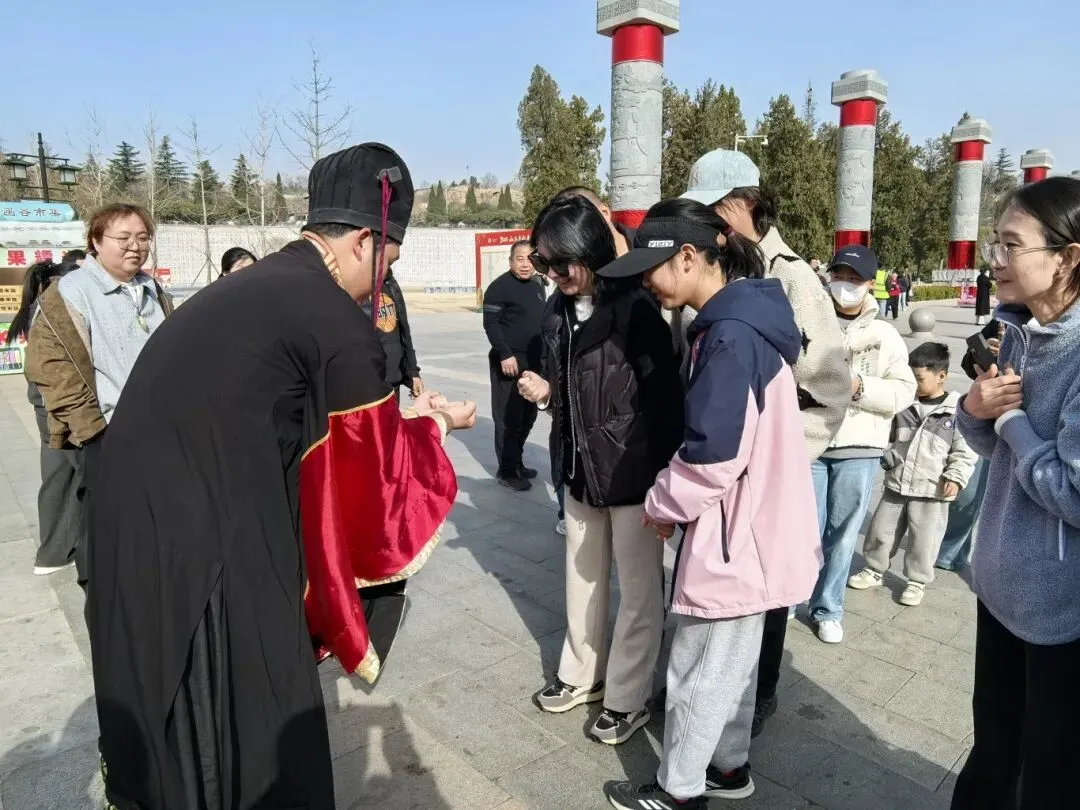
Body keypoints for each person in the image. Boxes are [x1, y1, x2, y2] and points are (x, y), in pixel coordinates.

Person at [85, 143, 477, 809]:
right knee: (244, 721)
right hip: (209, 546)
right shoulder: (334, 320)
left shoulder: (249, 286)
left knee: (159, 716)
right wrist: (438, 424)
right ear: (363, 241)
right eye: (388, 261)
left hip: (129, 527)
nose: (383, 282)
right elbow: (378, 479)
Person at [602, 199, 820, 808]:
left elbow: (713, 457)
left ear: (689, 257)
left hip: (735, 536)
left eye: (651, 269)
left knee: (699, 668)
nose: (647, 283)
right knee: (731, 667)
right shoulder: (744, 323)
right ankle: (726, 768)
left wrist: (661, 504)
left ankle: (679, 791)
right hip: (755, 529)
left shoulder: (728, 335)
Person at [682, 148, 849, 735]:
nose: (709, 222)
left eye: (715, 210)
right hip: (712, 471)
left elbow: (831, 386)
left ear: (747, 204)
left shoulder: (794, 277)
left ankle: (758, 694)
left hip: (768, 479)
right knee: (712, 594)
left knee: (766, 595)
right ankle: (702, 697)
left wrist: (778, 454)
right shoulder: (703, 262)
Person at [517, 195, 683, 746]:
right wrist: (546, 394)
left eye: (561, 262)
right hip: (578, 469)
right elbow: (569, 390)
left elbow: (665, 404)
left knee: (638, 592)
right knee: (581, 580)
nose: (553, 274)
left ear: (589, 250)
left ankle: (628, 697)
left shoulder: (637, 310)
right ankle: (582, 673)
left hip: (633, 474)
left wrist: (667, 481)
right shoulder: (556, 312)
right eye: (543, 262)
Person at [952, 176, 1080, 809]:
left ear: (1068, 257)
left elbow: (1074, 494)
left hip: (1061, 606)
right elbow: (989, 444)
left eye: (1011, 245)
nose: (994, 260)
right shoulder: (1017, 331)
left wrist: (1010, 421)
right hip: (1001, 584)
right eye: (993, 244)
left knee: (1050, 769)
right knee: (994, 743)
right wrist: (975, 409)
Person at [25, 203, 173, 587]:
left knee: (146, 522)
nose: (135, 246)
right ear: (95, 240)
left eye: (143, 238)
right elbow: (51, 369)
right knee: (103, 526)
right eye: (123, 238)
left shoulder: (152, 289)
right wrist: (93, 433)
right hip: (105, 432)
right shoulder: (70, 292)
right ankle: (103, 600)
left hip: (154, 431)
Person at [808, 245, 915, 643]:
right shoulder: (809, 322)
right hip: (810, 443)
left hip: (859, 447)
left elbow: (903, 390)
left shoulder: (885, 334)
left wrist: (858, 387)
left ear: (871, 284)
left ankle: (828, 608)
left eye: (854, 279)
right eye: (839, 276)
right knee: (804, 529)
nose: (844, 285)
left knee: (842, 533)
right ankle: (793, 595)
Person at [848, 342, 977, 606]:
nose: (914, 384)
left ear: (941, 376)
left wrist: (955, 477)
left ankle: (917, 581)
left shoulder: (955, 412)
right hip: (897, 483)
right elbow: (887, 436)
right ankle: (874, 568)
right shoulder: (904, 404)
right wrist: (886, 457)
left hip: (932, 489)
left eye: (919, 379)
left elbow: (965, 451)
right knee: (881, 531)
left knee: (924, 540)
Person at [5, 260, 82, 575]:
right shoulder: (56, 307)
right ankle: (61, 549)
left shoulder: (39, 305)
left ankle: (53, 553)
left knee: (58, 476)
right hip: (58, 402)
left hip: (46, 400)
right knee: (79, 474)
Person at [936, 320, 1003, 571]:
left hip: (1034, 423)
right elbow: (969, 363)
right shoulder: (1007, 318)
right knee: (970, 491)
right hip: (989, 414)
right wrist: (987, 355)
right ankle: (949, 552)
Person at [483, 239, 547, 490]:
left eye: (530, 259)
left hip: (533, 362)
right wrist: (504, 353)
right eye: (519, 259)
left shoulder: (537, 285)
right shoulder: (499, 287)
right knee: (508, 418)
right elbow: (491, 323)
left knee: (528, 415)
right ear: (510, 261)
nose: (525, 264)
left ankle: (516, 461)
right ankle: (507, 471)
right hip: (509, 361)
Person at [363, 265, 424, 400]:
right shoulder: (357, 287)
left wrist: (413, 372)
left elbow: (404, 331)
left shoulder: (390, 283)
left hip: (394, 380)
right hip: (370, 382)